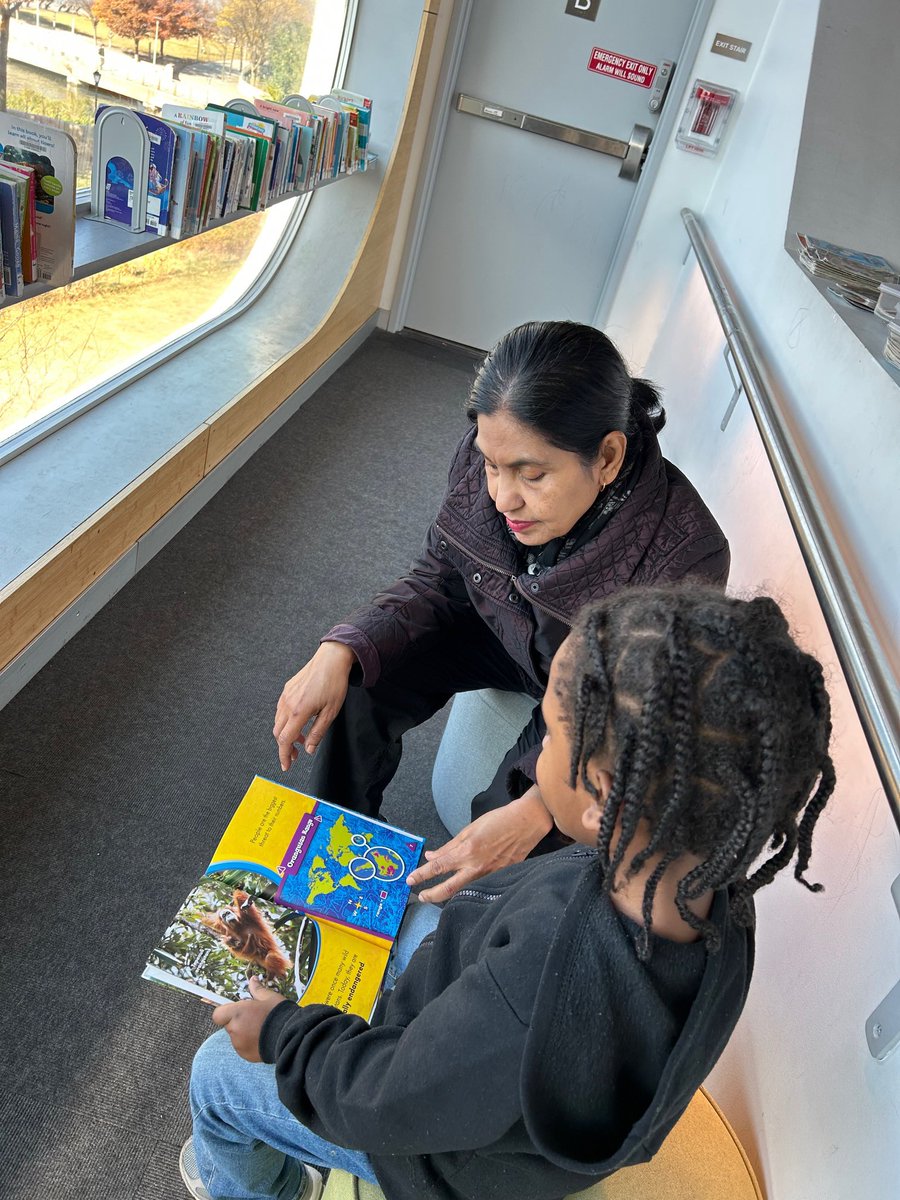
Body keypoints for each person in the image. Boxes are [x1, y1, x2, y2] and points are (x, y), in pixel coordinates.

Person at [183, 583, 835, 1200]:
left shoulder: (532, 991)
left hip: (439, 1157)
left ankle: (271, 1186)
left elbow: (387, 1099)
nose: (540, 747)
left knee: (217, 1075)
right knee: (409, 904)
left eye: (550, 734)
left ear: (602, 796)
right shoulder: (715, 906)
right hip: (509, 1085)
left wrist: (283, 1037)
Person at [273, 321, 731, 903]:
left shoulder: (687, 554)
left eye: (531, 475)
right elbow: (441, 575)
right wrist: (341, 645)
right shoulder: (488, 452)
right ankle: (329, 873)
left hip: (592, 689)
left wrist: (538, 805)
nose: (502, 496)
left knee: (514, 820)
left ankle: (457, 916)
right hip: (498, 626)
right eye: (492, 465)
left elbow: (629, 713)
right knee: (361, 679)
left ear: (609, 456)